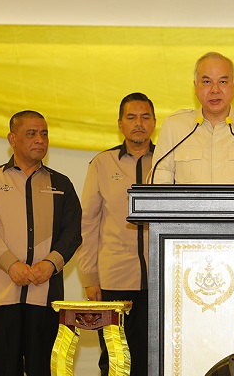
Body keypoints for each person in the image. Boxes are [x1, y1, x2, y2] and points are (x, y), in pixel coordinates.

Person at [0, 110, 82, 375]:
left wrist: (50, 264)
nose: (39, 140)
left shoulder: (61, 183)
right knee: (4, 369)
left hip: (45, 293)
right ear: (12, 139)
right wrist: (12, 265)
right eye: (31, 133)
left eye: (44, 133)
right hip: (4, 294)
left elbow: (73, 231)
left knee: (42, 369)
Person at [77, 93, 156, 376]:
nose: (138, 123)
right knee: (114, 360)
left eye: (145, 117)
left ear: (154, 123)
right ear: (120, 124)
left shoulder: (168, 162)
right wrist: (90, 277)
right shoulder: (102, 163)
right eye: (131, 117)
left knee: (155, 359)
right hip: (114, 279)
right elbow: (88, 222)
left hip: (160, 280)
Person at [149, 51, 234, 184]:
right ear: (195, 87)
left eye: (222, 82)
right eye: (207, 82)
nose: (215, 90)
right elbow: (158, 185)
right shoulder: (174, 126)